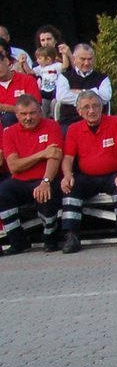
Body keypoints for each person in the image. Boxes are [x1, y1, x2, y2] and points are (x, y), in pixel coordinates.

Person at [59, 90, 117, 251]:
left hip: (113, 174)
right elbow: (68, 158)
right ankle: (71, 235)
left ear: (102, 107)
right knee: (70, 187)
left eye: (95, 106)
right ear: (79, 111)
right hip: (87, 177)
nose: (91, 111)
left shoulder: (115, 122)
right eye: (86, 107)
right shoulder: (74, 129)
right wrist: (67, 175)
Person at [0, 94, 64, 254]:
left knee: (46, 193)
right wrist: (41, 154)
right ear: (16, 115)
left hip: (46, 179)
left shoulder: (52, 126)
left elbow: (54, 157)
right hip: (20, 181)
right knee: (3, 191)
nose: (28, 117)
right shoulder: (9, 133)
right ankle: (18, 241)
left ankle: (50, 237)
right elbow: (14, 166)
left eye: (32, 113)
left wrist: (46, 181)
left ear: (40, 111)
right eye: (23, 114)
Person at [58, 44, 113, 129]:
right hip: (70, 122)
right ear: (74, 59)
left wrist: (81, 92)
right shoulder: (65, 76)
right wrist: (95, 94)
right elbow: (61, 96)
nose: (86, 63)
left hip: (97, 122)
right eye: (83, 59)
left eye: (90, 59)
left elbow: (105, 97)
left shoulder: (102, 78)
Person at [0, 43, 41, 124]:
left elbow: (35, 108)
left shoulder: (27, 80)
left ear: (6, 61)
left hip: (24, 124)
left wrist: (5, 108)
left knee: (9, 117)